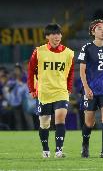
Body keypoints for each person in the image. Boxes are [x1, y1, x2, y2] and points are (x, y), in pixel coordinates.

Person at [28, 23, 74, 158]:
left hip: (61, 91)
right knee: (45, 123)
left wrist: (69, 89)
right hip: (44, 92)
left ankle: (59, 150)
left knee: (60, 118)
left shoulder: (68, 53)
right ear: (47, 36)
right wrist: (32, 89)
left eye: (59, 33)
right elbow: (31, 71)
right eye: (54, 34)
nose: (57, 36)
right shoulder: (39, 51)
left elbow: (70, 73)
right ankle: (46, 150)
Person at [78, 19, 103, 158]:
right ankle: (85, 145)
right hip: (91, 90)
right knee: (89, 122)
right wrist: (86, 88)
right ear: (93, 32)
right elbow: (82, 71)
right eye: (99, 28)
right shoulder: (86, 48)